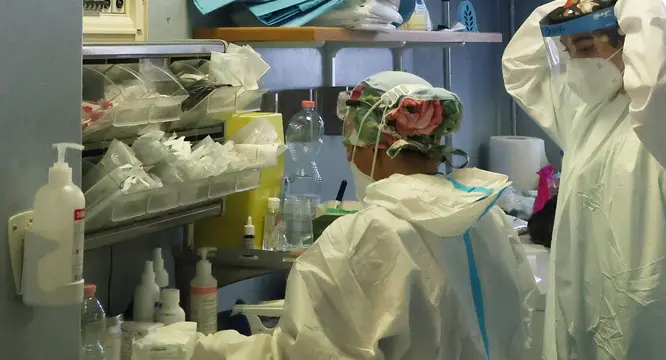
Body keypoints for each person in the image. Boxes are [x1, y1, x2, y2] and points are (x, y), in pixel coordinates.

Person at [192, 71, 539, 360]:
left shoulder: (364, 235)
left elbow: (307, 352)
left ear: (370, 147)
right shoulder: (487, 216)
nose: (349, 159)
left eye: (348, 148)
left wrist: (193, 349)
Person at [502, 0, 666, 360]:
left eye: (586, 46)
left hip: (650, 307)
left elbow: (656, 82)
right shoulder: (587, 109)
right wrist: (575, 3)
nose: (577, 62)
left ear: (630, 40)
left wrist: (639, 1)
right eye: (569, 51)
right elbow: (519, 66)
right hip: (582, 301)